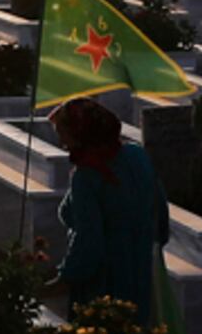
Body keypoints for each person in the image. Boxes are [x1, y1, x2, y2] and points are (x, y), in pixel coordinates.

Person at [53, 95, 171, 322]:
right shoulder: (137, 156)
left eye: (64, 134)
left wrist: (66, 278)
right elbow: (160, 214)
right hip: (141, 270)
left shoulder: (87, 176)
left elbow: (88, 242)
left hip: (105, 283)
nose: (62, 142)